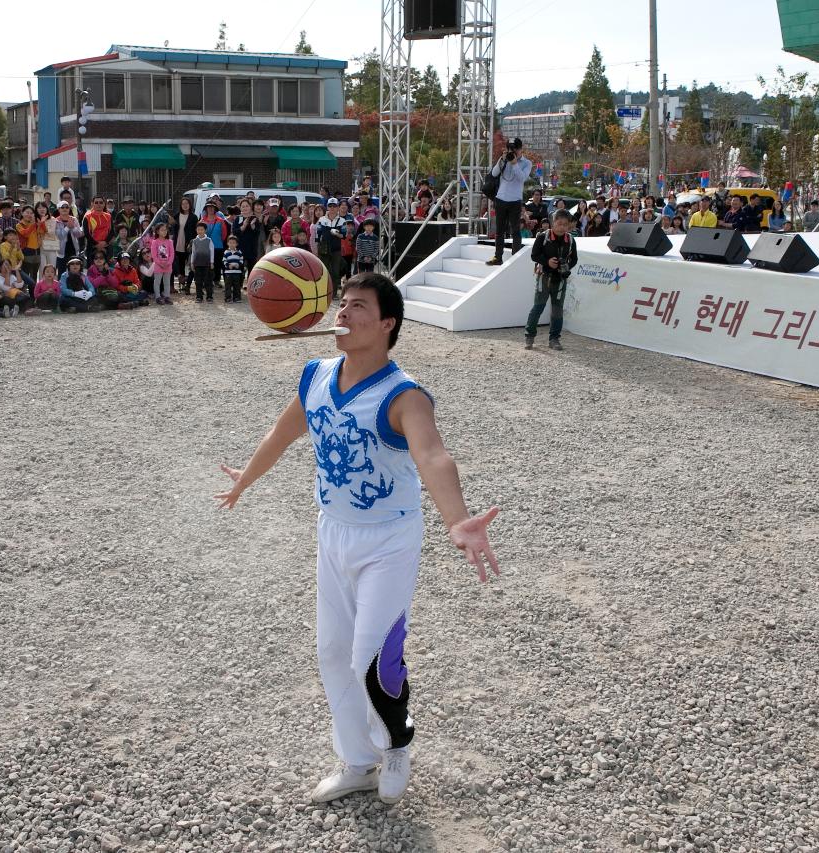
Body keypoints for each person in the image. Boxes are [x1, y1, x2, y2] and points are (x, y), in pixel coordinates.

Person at [214, 272, 501, 806]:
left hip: (389, 538)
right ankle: (356, 762)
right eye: (342, 304)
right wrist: (246, 480)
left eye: (359, 306)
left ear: (388, 324)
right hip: (332, 532)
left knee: (373, 655)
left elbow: (432, 456)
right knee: (331, 652)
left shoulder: (404, 394)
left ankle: (395, 744)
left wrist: (457, 520)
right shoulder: (316, 374)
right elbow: (284, 432)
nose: (342, 314)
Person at [525, 211, 578, 351]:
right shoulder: (543, 236)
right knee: (538, 307)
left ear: (569, 226)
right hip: (544, 277)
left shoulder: (571, 240)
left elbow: (574, 259)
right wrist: (547, 262)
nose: (562, 227)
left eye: (565, 225)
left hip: (560, 279)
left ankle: (554, 339)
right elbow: (534, 255)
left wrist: (566, 266)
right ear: (553, 223)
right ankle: (529, 336)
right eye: (559, 224)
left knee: (557, 310)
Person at [487, 138, 532, 266]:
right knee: (499, 231)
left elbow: (522, 178)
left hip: (515, 201)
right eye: (510, 148)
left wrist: (514, 163)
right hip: (501, 198)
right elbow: (494, 174)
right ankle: (498, 257)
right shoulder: (504, 159)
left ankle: (515, 257)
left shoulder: (526, 163)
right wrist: (502, 160)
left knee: (515, 230)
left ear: (520, 149)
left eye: (515, 149)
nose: (513, 151)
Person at [315, 201, 348, 299]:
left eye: (334, 206)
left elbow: (344, 236)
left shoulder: (342, 221)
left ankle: (333, 294)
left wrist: (336, 234)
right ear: (327, 207)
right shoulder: (321, 219)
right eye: (330, 206)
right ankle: (324, 292)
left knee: (335, 272)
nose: (332, 208)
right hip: (323, 249)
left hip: (336, 250)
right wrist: (317, 249)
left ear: (337, 207)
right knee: (324, 271)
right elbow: (318, 235)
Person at [148, 222, 175, 305]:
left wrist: (168, 263)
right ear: (157, 231)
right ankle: (158, 297)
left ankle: (167, 296)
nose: (164, 232)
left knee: (167, 282)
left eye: (165, 230)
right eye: (162, 230)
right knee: (157, 282)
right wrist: (160, 263)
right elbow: (154, 255)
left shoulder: (170, 242)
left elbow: (172, 254)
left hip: (168, 265)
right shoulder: (155, 242)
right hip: (158, 266)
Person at [190, 222, 215, 303]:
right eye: (198, 229)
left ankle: (209, 297)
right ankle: (199, 297)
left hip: (207, 263)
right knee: (198, 281)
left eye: (202, 229)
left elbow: (212, 251)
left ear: (205, 230)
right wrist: (192, 263)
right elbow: (193, 252)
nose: (200, 231)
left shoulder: (209, 240)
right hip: (197, 263)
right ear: (196, 230)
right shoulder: (194, 241)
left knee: (208, 281)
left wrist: (212, 262)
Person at [221, 236, 246, 304]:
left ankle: (237, 297)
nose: (232, 244)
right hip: (228, 272)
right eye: (230, 243)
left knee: (237, 285)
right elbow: (224, 261)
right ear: (227, 243)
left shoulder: (239, 252)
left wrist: (238, 264)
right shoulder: (226, 252)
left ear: (236, 244)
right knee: (228, 286)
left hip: (237, 272)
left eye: (234, 243)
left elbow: (241, 260)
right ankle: (228, 298)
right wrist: (228, 265)